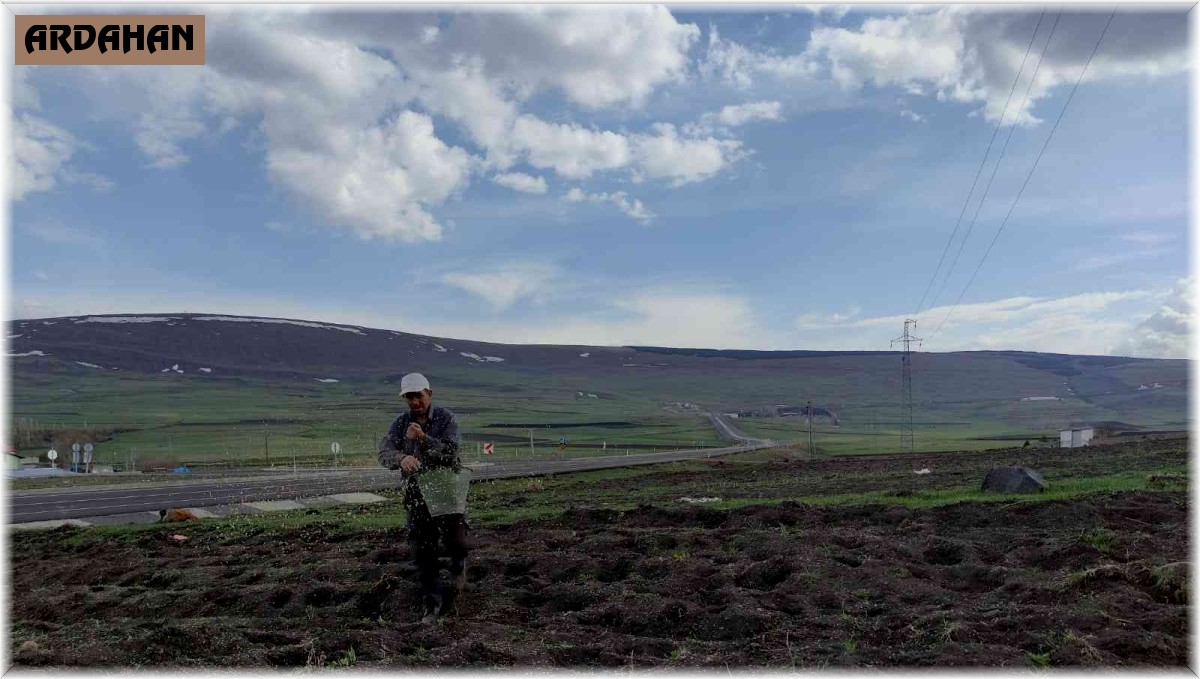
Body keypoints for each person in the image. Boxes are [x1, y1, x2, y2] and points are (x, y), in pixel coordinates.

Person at [378, 372, 468, 624]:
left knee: (456, 542)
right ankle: (432, 605)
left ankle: (459, 567)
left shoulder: (445, 419)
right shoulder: (399, 423)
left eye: (418, 395)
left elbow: (451, 453)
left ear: (429, 394)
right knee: (423, 552)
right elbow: (384, 452)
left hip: (447, 492)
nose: (414, 401)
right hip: (416, 496)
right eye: (409, 397)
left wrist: (422, 439)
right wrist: (401, 458)